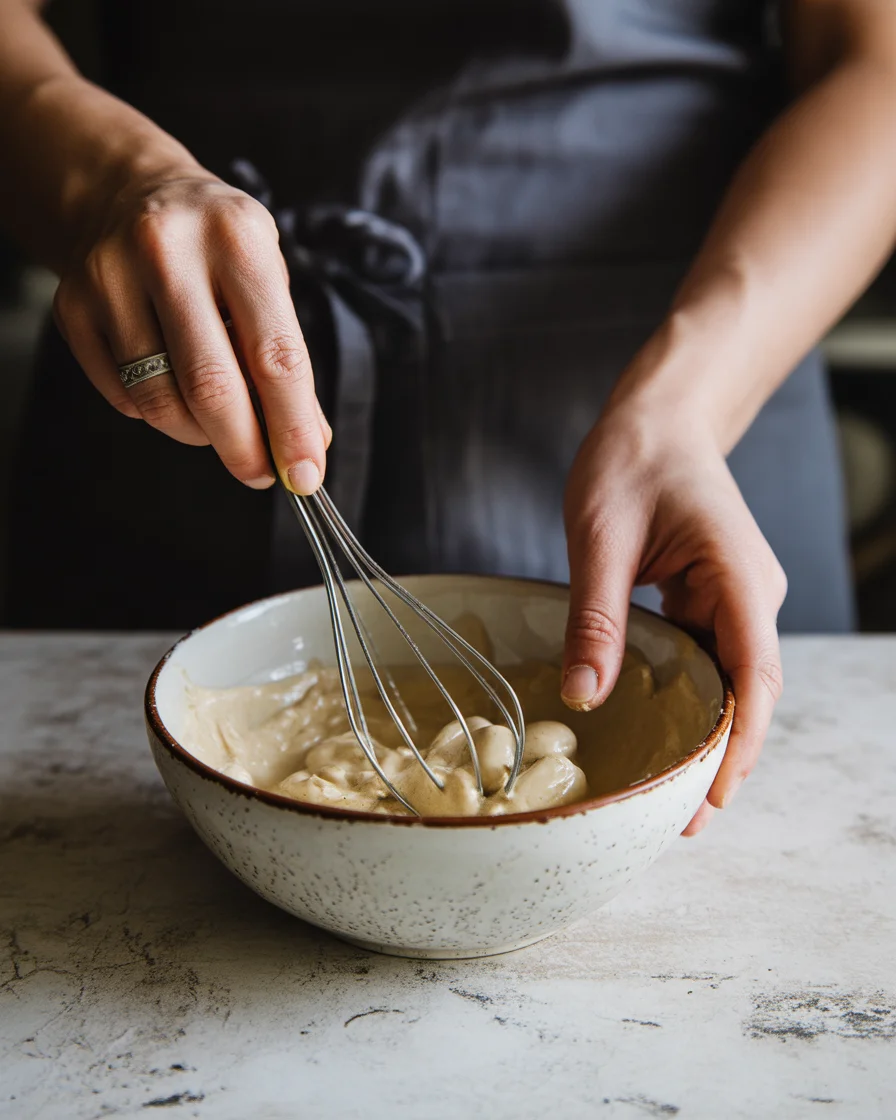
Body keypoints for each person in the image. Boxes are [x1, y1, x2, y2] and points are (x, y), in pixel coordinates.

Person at [0, 0, 891, 835]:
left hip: (699, 364)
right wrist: (109, 179)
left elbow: (875, 64)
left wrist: (685, 409)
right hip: (183, 356)